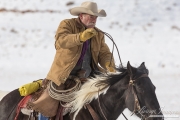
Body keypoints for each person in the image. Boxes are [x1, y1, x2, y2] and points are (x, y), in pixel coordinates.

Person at [29, 1, 115, 119]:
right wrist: (80, 37)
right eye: (91, 16)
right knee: (47, 104)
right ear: (81, 16)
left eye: (95, 17)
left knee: (112, 93)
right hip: (64, 76)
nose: (94, 20)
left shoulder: (98, 34)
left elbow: (104, 53)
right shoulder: (67, 24)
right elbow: (61, 41)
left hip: (89, 75)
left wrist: (109, 64)